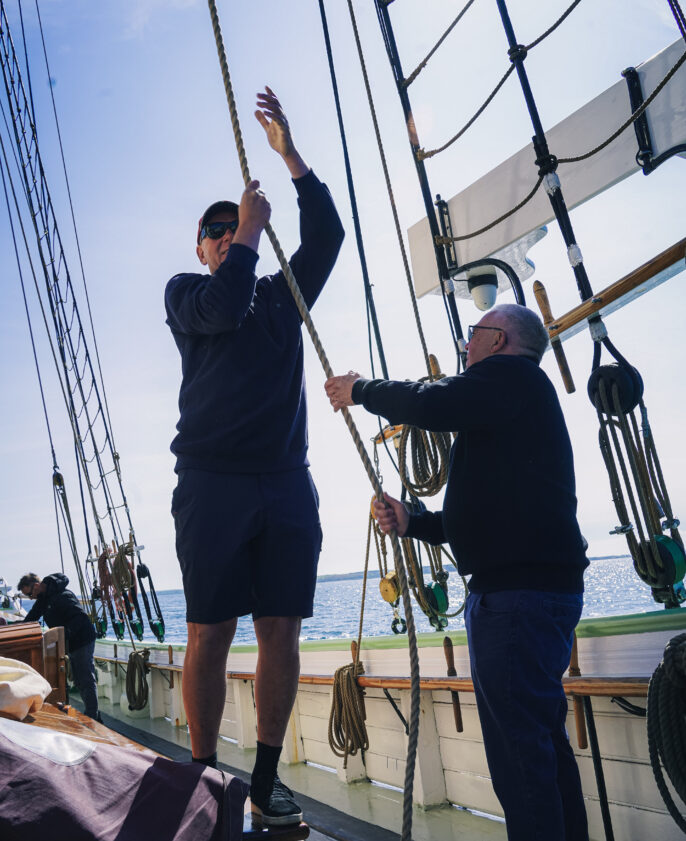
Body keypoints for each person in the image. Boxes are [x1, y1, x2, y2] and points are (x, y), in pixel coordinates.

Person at [324, 304, 589, 841]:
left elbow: (433, 403)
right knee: (539, 744)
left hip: (517, 599)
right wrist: (413, 521)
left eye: (473, 335)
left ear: (497, 340)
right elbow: (484, 512)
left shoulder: (511, 377)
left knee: (519, 760)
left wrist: (362, 390)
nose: (465, 345)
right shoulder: (514, 401)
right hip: (534, 590)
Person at [165, 87, 343, 826]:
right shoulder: (189, 295)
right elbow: (226, 303)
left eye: (229, 227)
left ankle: (265, 780)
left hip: (286, 482)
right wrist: (247, 234)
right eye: (213, 231)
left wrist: (290, 159)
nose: (222, 234)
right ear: (203, 248)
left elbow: (328, 235)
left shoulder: (282, 296)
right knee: (209, 630)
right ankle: (205, 776)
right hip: (212, 483)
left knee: (281, 631)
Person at [18, 572, 99, 721]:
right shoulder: (43, 599)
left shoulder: (62, 595)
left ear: (36, 586)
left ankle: (93, 717)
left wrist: (64, 634)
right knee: (79, 680)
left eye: (30, 594)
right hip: (69, 641)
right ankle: (93, 714)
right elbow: (30, 619)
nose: (31, 598)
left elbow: (80, 618)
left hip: (82, 639)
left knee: (85, 678)